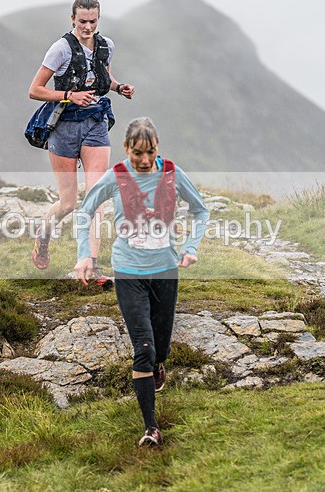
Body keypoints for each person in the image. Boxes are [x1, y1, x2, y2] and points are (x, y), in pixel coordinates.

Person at [74, 117, 210, 447]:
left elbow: (201, 211)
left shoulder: (173, 173)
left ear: (157, 148)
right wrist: (84, 255)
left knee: (160, 347)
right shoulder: (116, 176)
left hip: (165, 271)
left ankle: (158, 363)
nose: (145, 160)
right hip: (128, 272)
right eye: (138, 153)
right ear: (126, 149)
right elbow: (85, 211)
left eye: (150, 152)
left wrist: (191, 247)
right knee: (144, 348)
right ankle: (151, 428)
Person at [28, 0, 135, 272]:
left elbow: (102, 77)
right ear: (73, 19)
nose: (88, 27)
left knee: (96, 195)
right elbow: (35, 90)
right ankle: (43, 235)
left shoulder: (106, 45)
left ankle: (90, 264)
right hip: (64, 126)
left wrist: (118, 87)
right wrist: (69, 96)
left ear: (99, 19)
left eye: (93, 21)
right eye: (83, 21)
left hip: (96, 121)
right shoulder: (60, 49)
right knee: (68, 203)